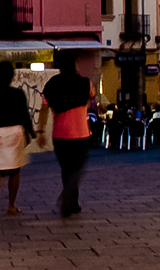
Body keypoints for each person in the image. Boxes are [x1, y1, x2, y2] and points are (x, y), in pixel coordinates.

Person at [38, 53, 94, 218]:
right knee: (76, 168)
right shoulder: (85, 83)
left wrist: (41, 131)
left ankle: (73, 203)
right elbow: (92, 95)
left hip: (60, 135)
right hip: (81, 133)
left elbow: (43, 109)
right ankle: (68, 195)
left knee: (66, 169)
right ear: (74, 65)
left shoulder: (52, 84)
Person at [0, 61, 35, 218]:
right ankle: (11, 205)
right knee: (15, 170)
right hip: (14, 132)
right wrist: (30, 131)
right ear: (12, 76)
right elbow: (25, 114)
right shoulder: (18, 94)